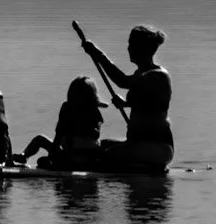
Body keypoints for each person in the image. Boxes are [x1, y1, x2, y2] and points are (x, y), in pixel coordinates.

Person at [81, 24, 174, 173]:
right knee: (99, 145)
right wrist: (97, 54)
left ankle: (147, 168)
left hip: (157, 148)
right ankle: (140, 166)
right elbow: (123, 82)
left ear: (143, 48)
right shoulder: (142, 73)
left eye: (132, 44)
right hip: (139, 144)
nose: (128, 49)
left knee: (105, 156)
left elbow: (131, 88)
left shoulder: (158, 75)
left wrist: (126, 103)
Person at [16, 76, 106, 171]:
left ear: (88, 96)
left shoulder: (93, 111)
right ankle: (24, 156)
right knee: (39, 139)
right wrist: (53, 155)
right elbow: (58, 135)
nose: (75, 96)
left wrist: (79, 124)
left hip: (86, 158)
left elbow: (95, 134)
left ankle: (57, 164)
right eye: (73, 93)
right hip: (67, 153)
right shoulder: (67, 108)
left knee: (43, 161)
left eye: (79, 94)